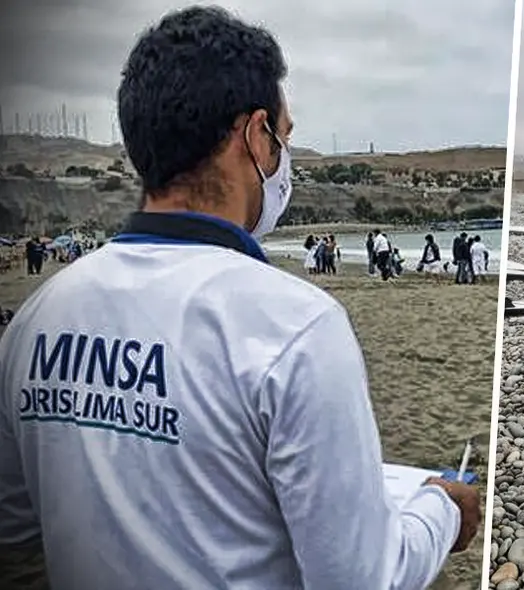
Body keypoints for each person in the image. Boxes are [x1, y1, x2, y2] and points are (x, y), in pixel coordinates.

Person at [0, 7, 480, 590]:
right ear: (256, 137)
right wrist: (440, 511)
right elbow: (359, 577)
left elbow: (15, 520)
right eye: (283, 136)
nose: (284, 161)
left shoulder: (38, 315)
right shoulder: (296, 326)